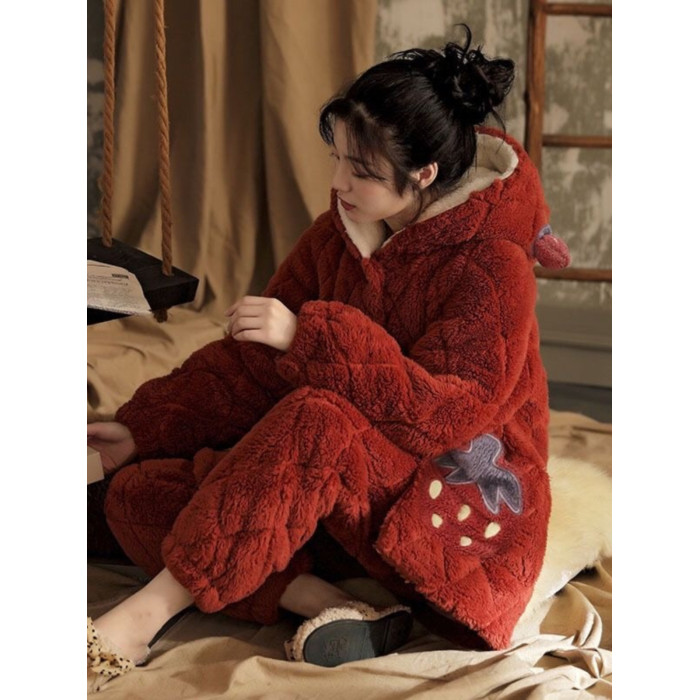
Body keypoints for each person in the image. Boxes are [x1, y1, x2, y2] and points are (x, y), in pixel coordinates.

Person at [87, 24, 570, 689]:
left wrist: (310, 338)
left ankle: (143, 619)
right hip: (334, 496)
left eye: (361, 171)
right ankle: (333, 604)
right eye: (337, 156)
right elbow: (249, 364)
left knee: (317, 415)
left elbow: (447, 416)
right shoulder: (335, 237)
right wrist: (142, 428)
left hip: (442, 509)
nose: (339, 181)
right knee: (138, 493)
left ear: (424, 174)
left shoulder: (493, 267)